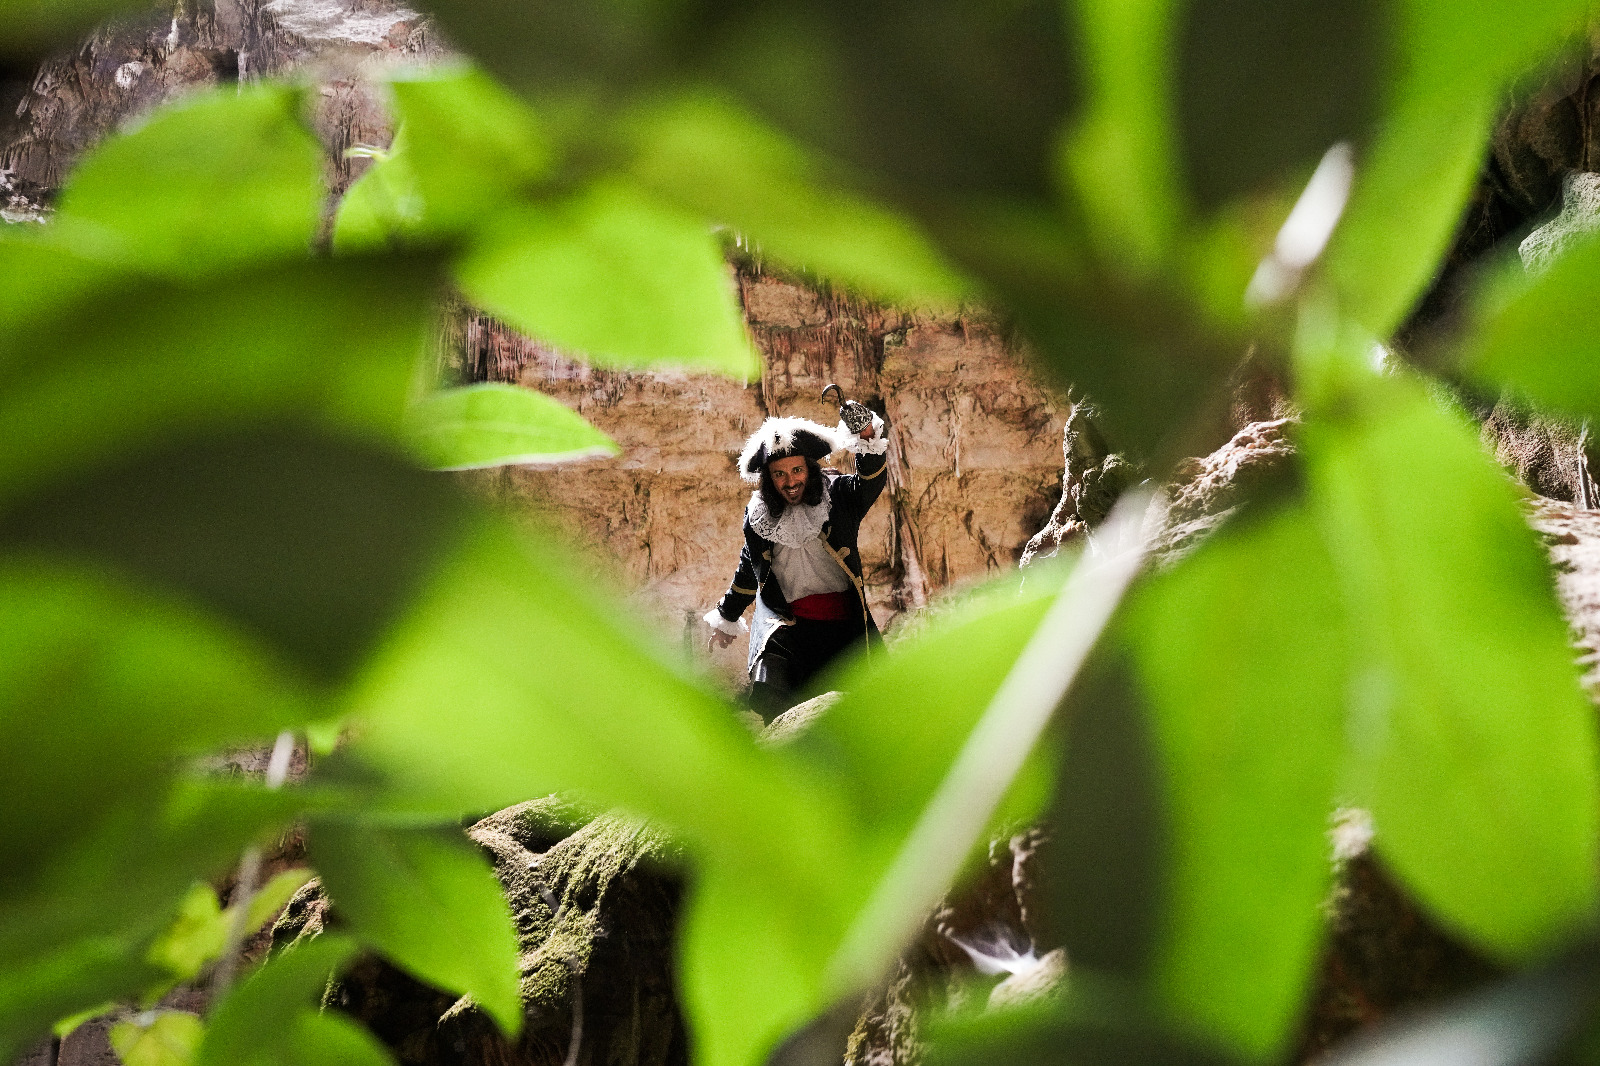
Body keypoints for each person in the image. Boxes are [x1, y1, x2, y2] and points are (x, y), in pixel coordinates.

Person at [704, 410, 890, 720]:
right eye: (780, 474)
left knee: (861, 713)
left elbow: (870, 481)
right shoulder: (758, 517)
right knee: (777, 704)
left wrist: (866, 435)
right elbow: (751, 570)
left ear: (809, 469)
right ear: (769, 479)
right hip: (789, 632)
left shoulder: (839, 496)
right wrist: (727, 617)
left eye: (797, 470)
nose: (790, 481)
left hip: (844, 628)